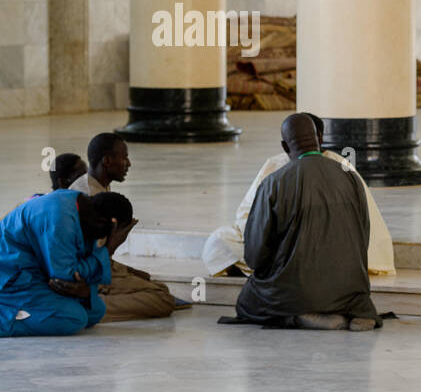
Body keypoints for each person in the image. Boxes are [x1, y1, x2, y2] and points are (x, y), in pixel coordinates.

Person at [228, 113, 379, 330]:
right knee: (351, 294)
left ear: (285, 146)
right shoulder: (349, 176)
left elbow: (255, 255)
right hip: (350, 291)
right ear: (319, 137)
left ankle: (301, 317)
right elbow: (363, 235)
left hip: (296, 292)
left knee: (247, 303)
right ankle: (355, 313)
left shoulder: (274, 182)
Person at [202, 113, 395, 278]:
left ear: (286, 145)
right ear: (319, 137)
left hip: (295, 257)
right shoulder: (340, 169)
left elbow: (253, 226)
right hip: (336, 260)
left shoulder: (279, 175)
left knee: (224, 244)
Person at [70, 132, 184, 320]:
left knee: (149, 281)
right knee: (163, 298)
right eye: (124, 158)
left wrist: (128, 271)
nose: (128, 164)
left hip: (94, 265)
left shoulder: (96, 186)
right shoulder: (89, 197)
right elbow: (92, 259)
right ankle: (92, 306)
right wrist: (116, 243)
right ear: (107, 161)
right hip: (85, 273)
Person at [0, 190, 133, 337]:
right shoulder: (60, 220)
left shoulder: (82, 211)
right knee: (73, 318)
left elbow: (77, 270)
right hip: (11, 279)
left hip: (35, 275)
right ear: (106, 223)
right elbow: (65, 278)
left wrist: (86, 291)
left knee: (96, 311)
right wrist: (108, 249)